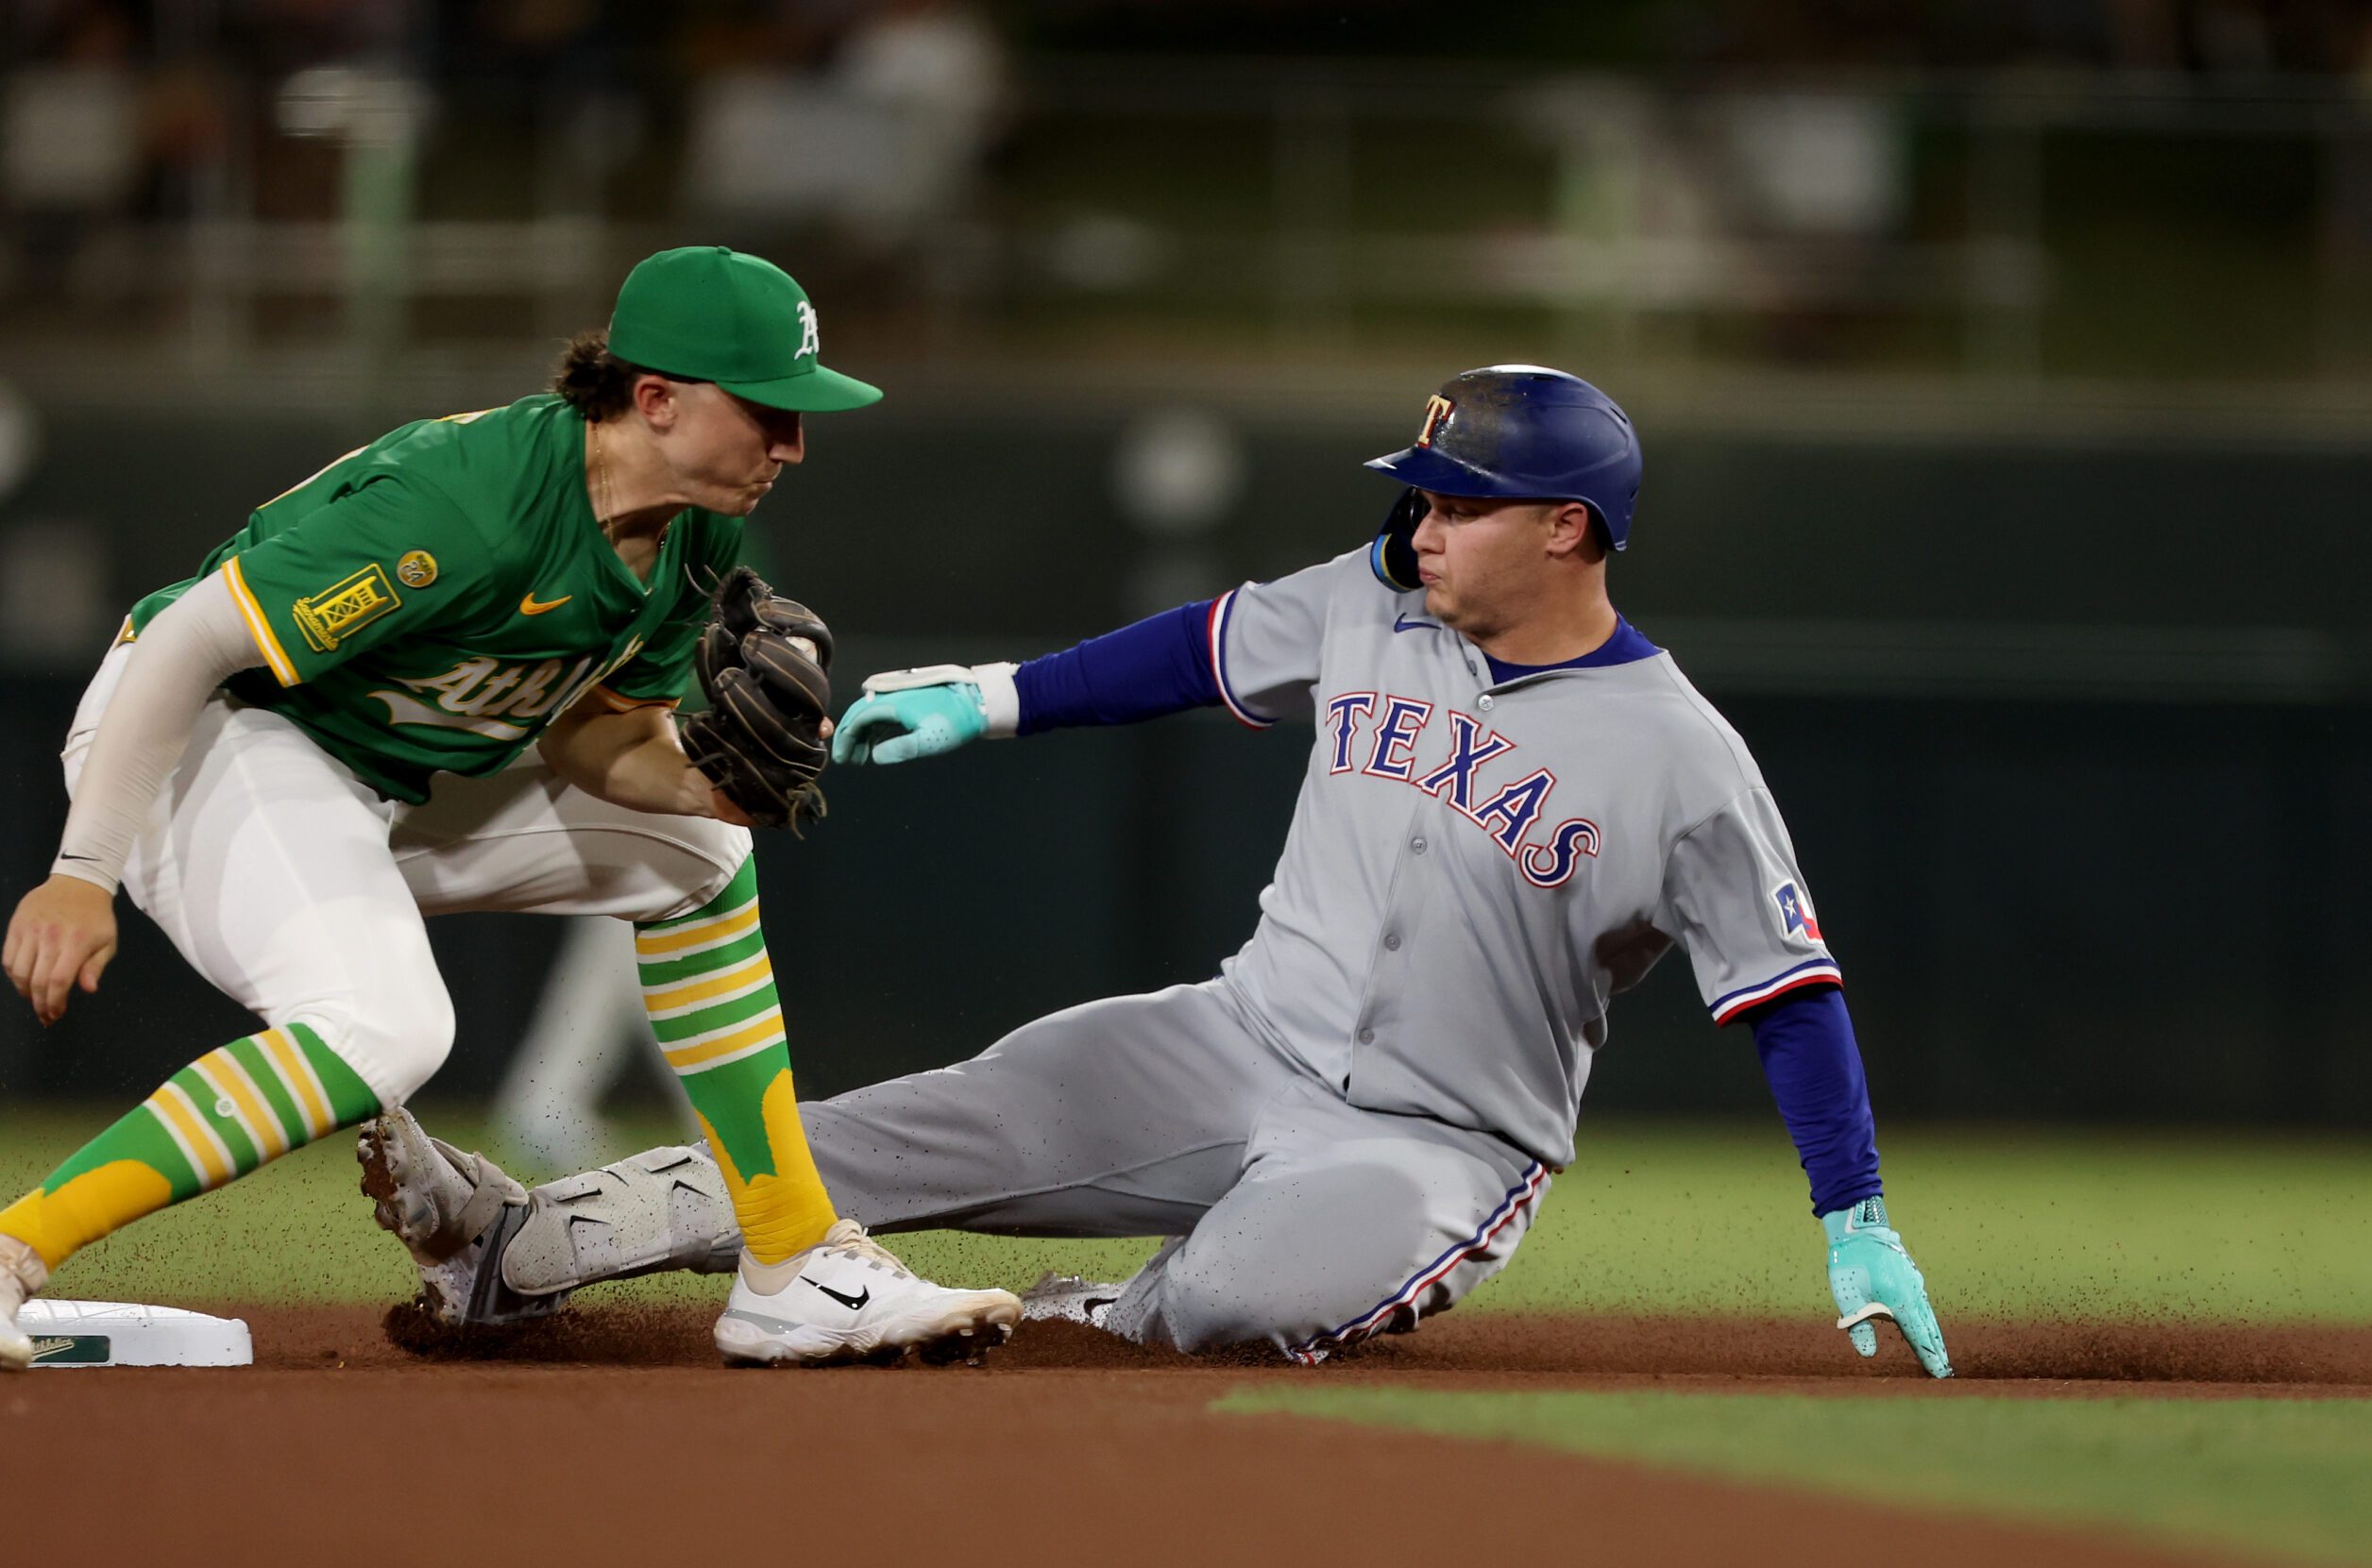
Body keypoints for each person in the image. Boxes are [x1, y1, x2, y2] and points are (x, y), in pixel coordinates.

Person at [354, 365, 1952, 1374]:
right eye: (1419, 493)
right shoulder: (1377, 595)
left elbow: (1791, 994)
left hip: (1436, 1145)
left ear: (1569, 530)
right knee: (855, 1141)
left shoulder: (1683, 760)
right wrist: (986, 696)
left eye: (1458, 502)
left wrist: (1855, 1216)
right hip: (1232, 1036)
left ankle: (1085, 1318)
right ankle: (512, 1246)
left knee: (1230, 1307)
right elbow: (1194, 648)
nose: (1421, 523)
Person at [0, 245, 1021, 1371]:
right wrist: (81, 869)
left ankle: (790, 1263)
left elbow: (595, 738)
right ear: (656, 400)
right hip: (198, 733)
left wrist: (700, 782)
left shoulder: (696, 530)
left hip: (382, 775)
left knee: (700, 852)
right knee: (384, 1026)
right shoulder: (468, 505)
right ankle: (12, 1250)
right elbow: (192, 639)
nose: (793, 443)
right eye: (769, 410)